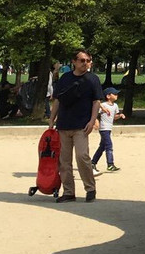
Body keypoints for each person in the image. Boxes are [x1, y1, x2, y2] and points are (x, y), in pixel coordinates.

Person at [49, 49, 103, 203]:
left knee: (82, 156)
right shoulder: (65, 78)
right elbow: (57, 100)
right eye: (82, 60)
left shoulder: (93, 79)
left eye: (87, 60)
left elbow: (96, 101)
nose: (85, 63)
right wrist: (52, 119)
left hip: (82, 125)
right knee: (64, 161)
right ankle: (68, 192)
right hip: (64, 124)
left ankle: (90, 188)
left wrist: (92, 121)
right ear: (74, 62)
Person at [91, 87, 125, 175]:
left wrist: (120, 115)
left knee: (102, 147)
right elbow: (95, 114)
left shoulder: (115, 106)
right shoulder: (103, 105)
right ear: (108, 96)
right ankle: (110, 164)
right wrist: (96, 122)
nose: (117, 95)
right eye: (115, 94)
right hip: (103, 129)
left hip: (109, 128)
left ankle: (92, 163)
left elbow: (114, 117)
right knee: (109, 146)